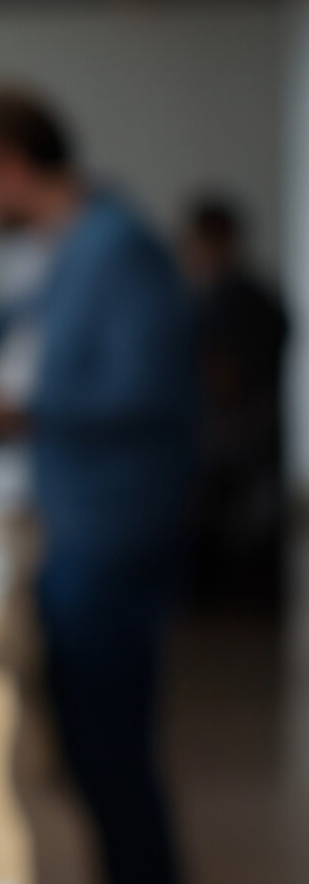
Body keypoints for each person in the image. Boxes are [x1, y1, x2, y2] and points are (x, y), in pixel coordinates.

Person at [0, 85, 193, 884]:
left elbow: (146, 391)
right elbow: (26, 341)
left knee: (112, 755)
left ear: (6, 167)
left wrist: (9, 412)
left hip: (113, 533)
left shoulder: (114, 245)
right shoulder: (71, 246)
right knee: (92, 754)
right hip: (83, 524)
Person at [180, 196, 289, 607]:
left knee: (230, 543)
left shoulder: (238, 300)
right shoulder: (241, 295)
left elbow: (227, 376)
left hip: (233, 442)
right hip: (236, 437)